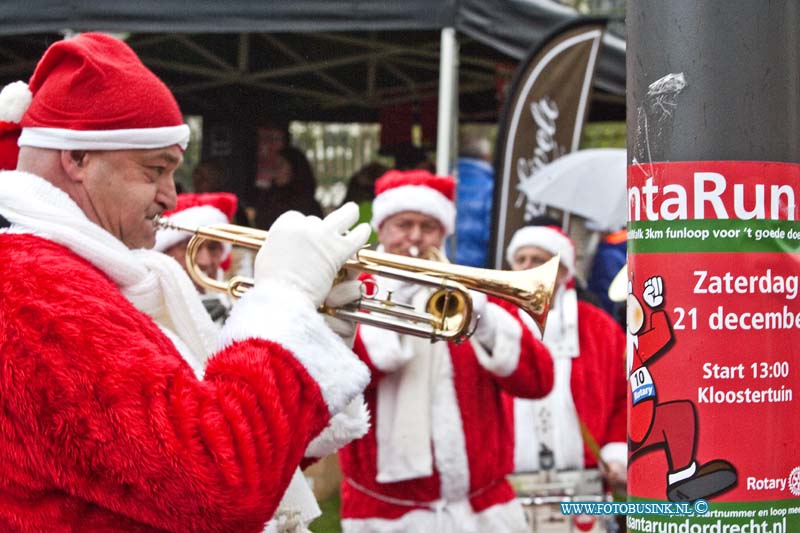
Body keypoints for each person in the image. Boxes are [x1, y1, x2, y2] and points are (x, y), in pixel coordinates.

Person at [0, 33, 372, 532]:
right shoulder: (36, 291)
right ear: (78, 159)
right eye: (155, 170)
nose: (171, 198)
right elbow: (216, 489)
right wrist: (283, 305)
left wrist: (312, 336)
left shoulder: (79, 276)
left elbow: (209, 468)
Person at [338, 169, 554, 532]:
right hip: (390, 513)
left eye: (428, 226)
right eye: (404, 224)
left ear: (444, 232)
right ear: (382, 228)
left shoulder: (469, 288)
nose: (416, 238)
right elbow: (348, 374)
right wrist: (396, 303)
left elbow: (538, 380)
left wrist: (486, 320)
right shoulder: (353, 291)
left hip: (483, 509)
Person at [504, 225, 628, 495]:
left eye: (538, 260)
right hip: (507, 483)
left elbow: (625, 396)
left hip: (585, 480)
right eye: (520, 260)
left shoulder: (600, 328)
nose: (528, 268)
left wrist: (617, 454)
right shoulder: (496, 321)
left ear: (563, 271)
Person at [155, 192, 239, 324]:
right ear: (164, 251)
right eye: (189, 247)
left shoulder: (238, 307)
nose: (203, 261)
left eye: (213, 248)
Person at [449, 133, 495, 267]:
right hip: (477, 266)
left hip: (443, 262)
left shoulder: (444, 178)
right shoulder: (490, 186)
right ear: (487, 157)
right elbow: (490, 233)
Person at [254, 146, 323, 230]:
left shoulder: (309, 206)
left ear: (295, 169)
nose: (275, 170)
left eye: (280, 165)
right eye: (274, 166)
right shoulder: (268, 199)